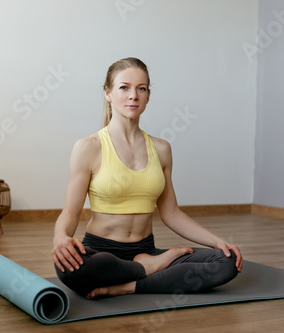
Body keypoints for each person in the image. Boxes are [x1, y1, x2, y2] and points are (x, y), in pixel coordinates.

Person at [51, 57, 243, 299]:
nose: (133, 95)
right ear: (108, 93)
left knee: (227, 261)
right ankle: (149, 269)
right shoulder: (89, 147)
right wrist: (61, 238)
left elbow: (171, 213)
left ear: (148, 96)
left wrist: (218, 243)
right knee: (69, 269)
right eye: (124, 87)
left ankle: (129, 284)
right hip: (102, 253)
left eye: (141, 88)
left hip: (146, 249)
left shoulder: (161, 149)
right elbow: (71, 213)